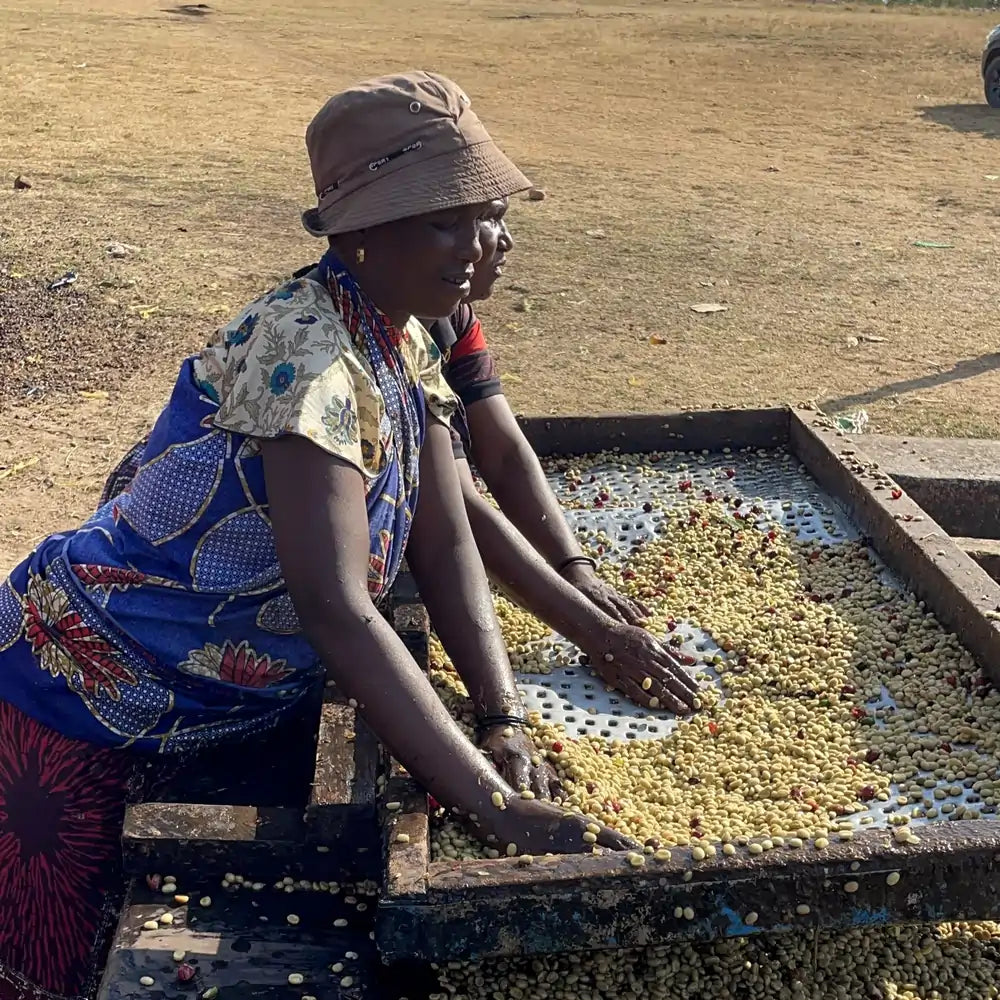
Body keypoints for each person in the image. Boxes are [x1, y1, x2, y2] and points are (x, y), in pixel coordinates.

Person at [0, 72, 637, 1000]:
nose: (479, 246)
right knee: (62, 956)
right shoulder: (308, 358)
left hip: (220, 694)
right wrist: (495, 807)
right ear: (360, 232)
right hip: (92, 685)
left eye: (488, 216)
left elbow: (444, 536)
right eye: (445, 222)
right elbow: (336, 607)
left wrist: (499, 716)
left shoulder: (402, 331)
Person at [102, 199, 701, 716]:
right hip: (166, 602)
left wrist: (574, 571)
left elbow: (497, 456)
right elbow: (447, 518)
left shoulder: (431, 323)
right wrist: (593, 632)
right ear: (368, 234)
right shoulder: (317, 349)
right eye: (460, 222)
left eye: (489, 219)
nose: (491, 243)